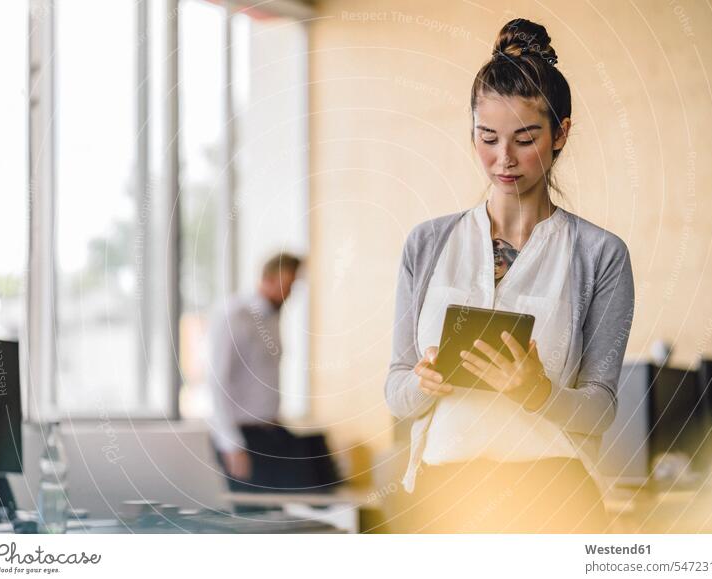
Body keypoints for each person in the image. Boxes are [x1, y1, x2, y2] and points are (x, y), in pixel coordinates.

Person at [384, 19, 635, 533]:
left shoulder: (601, 254)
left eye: (525, 139)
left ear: (561, 132)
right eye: (487, 138)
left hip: (555, 501)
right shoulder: (426, 245)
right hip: (443, 500)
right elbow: (395, 392)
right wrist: (423, 382)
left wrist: (537, 391)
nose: (503, 160)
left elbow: (602, 410)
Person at [208, 253, 338, 493]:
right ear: (266, 279)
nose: (289, 293)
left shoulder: (273, 318)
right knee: (256, 520)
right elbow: (218, 383)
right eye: (285, 285)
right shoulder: (234, 316)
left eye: (293, 286)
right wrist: (232, 444)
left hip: (271, 431)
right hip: (243, 436)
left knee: (319, 480)